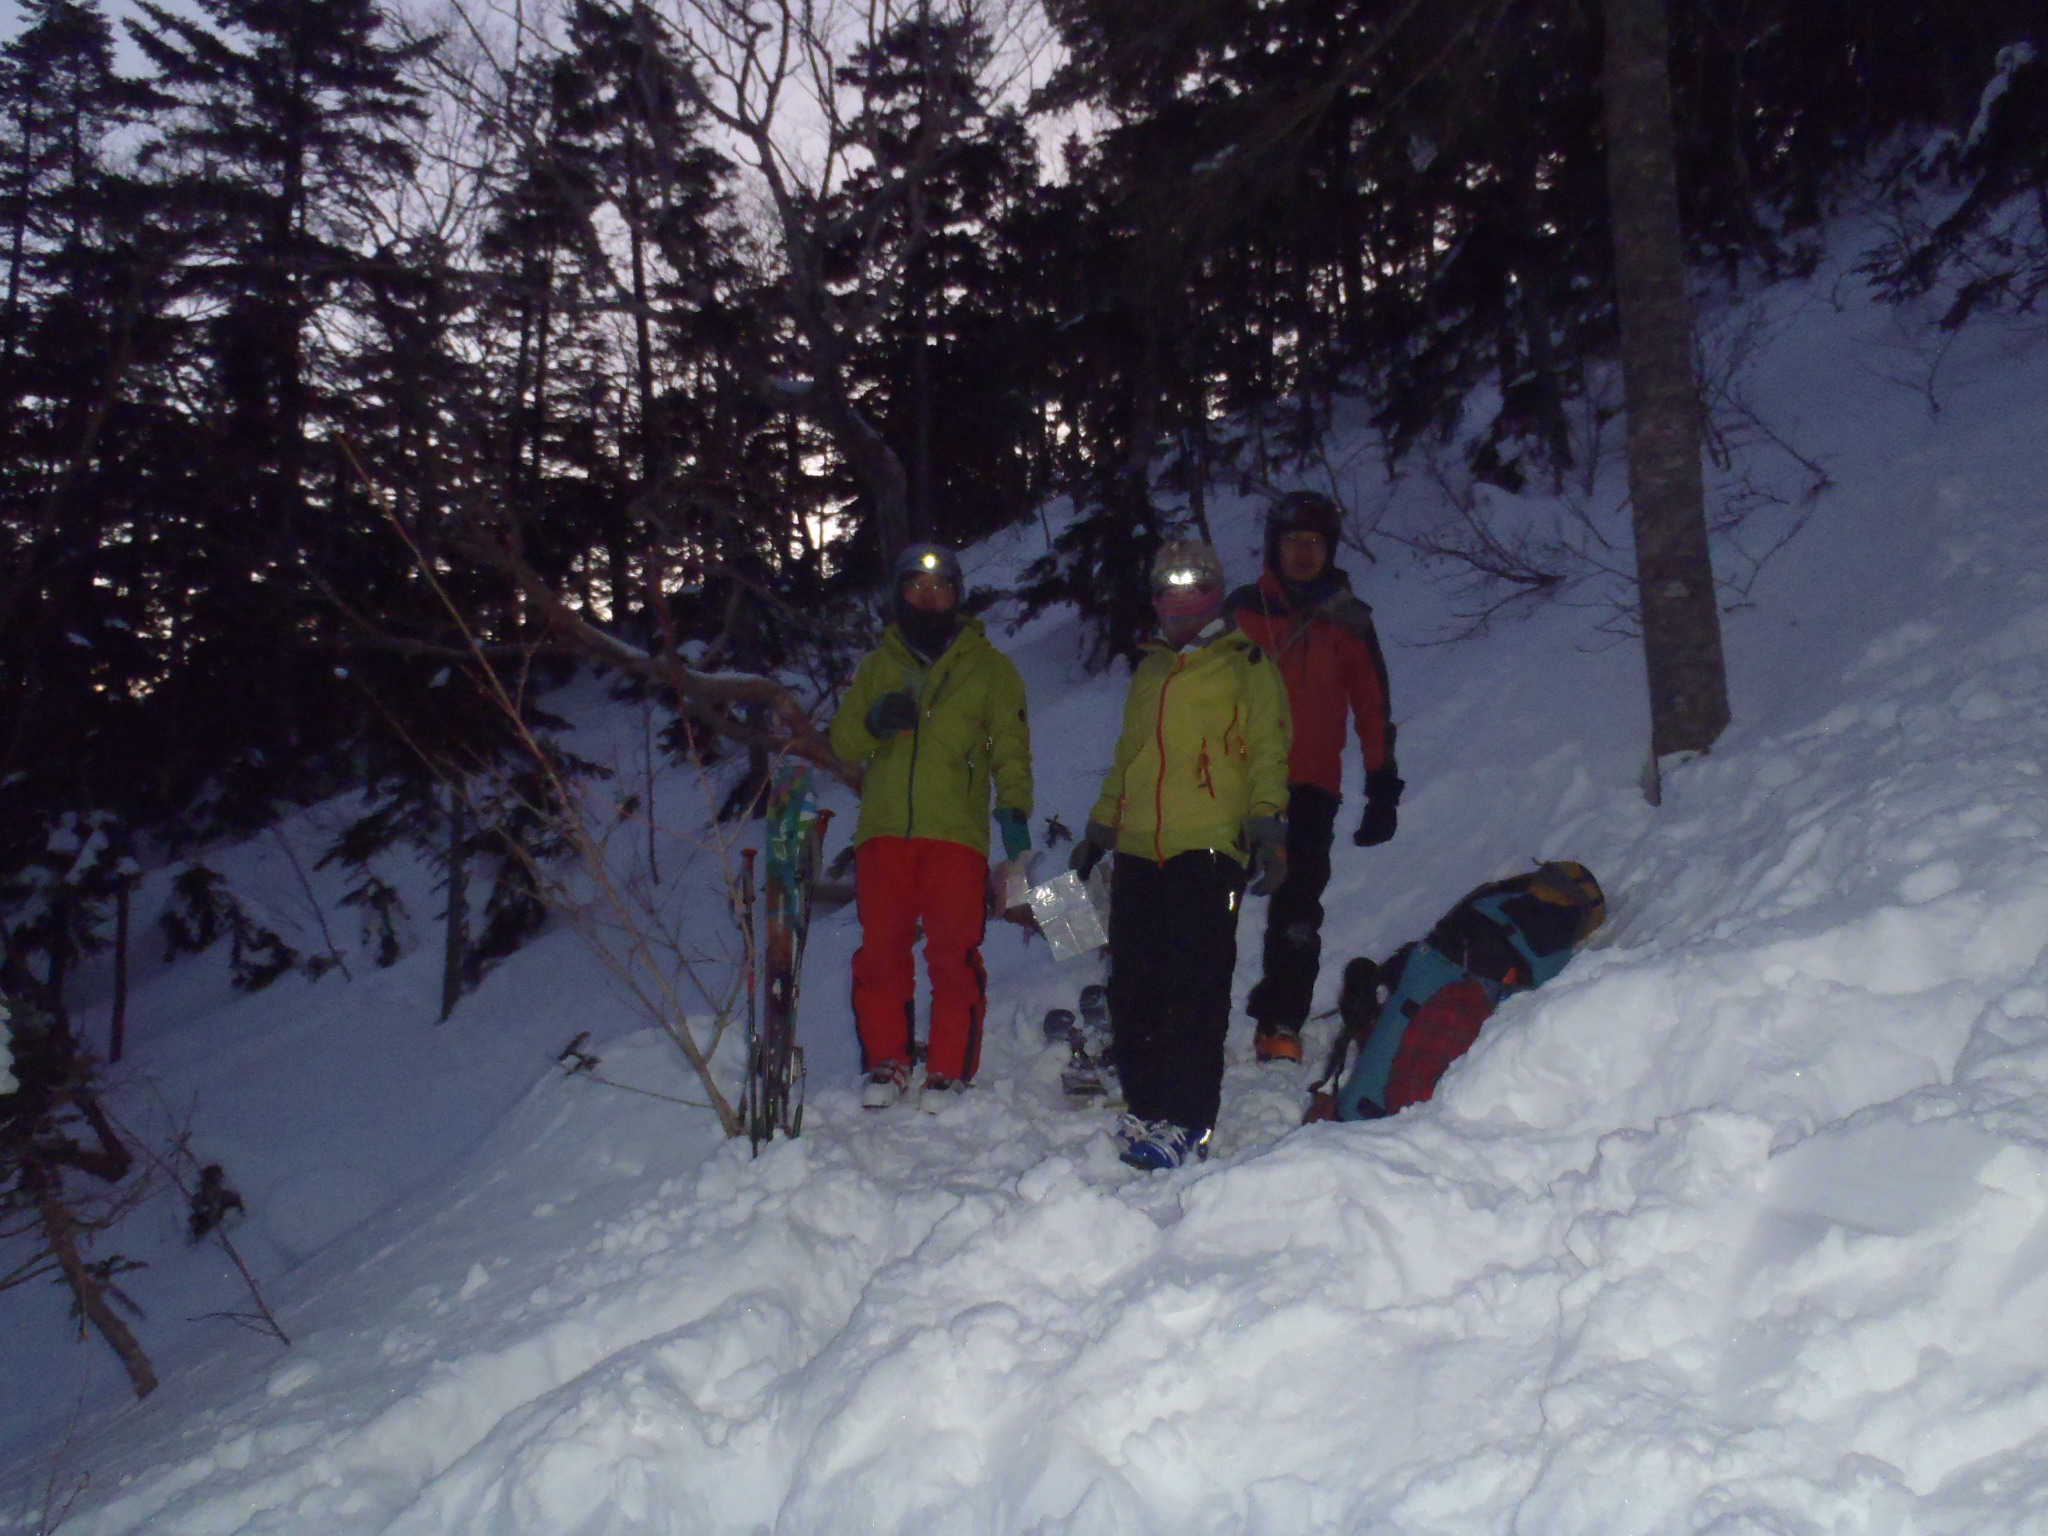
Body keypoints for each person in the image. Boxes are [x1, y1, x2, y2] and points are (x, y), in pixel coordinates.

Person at [1069, 539, 1291, 1169]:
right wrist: (1100, 829)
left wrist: (1268, 824)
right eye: (1168, 591)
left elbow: (1270, 748)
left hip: (1209, 845)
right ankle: (1145, 1109)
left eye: (1194, 590)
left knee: (1197, 989)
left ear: (1216, 594)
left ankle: (1189, 1123)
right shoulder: (1151, 671)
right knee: (1135, 987)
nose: (1181, 604)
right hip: (1141, 848)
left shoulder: (1246, 662)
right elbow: (1130, 758)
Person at [830, 544, 1033, 1111]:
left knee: (952, 952)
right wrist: (874, 722)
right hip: (885, 831)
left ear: (957, 596)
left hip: (955, 833)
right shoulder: (878, 666)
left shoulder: (991, 668)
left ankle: (948, 1068)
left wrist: (1013, 814)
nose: (928, 596)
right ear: (899, 596)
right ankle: (887, 1061)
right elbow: (844, 742)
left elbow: (1012, 751)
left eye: (940, 587)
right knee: (881, 953)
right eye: (916, 587)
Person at [1227, 491, 1400, 1065]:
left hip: (1311, 789)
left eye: (1314, 544)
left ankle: (1281, 1022)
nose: (1303, 555)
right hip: (1237, 782)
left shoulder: (1349, 620)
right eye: (1292, 543)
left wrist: (1382, 787)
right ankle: (1187, 1012)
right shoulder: (1241, 610)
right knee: (1207, 900)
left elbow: (1372, 707)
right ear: (1273, 548)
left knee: (1297, 910)